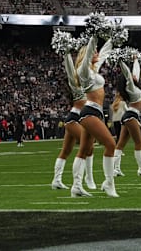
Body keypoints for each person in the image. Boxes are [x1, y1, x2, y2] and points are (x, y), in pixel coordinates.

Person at [75, 35, 119, 197]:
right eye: (93, 51)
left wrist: (115, 37)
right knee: (110, 144)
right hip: (90, 113)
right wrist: (94, 35)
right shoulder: (83, 70)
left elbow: (105, 53)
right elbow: (87, 58)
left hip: (96, 113)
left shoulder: (93, 69)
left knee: (84, 150)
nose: (96, 53)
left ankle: (76, 187)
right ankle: (109, 183)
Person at [50, 49, 88, 191]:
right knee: (87, 147)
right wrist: (66, 52)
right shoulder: (76, 83)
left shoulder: (86, 82)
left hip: (77, 119)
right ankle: (78, 184)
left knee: (66, 150)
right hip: (74, 119)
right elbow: (69, 68)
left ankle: (56, 180)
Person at [113, 57, 141, 179]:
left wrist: (136, 60)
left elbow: (135, 72)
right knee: (138, 143)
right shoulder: (130, 87)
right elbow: (128, 73)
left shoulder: (135, 87)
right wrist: (121, 61)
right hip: (131, 116)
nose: (134, 75)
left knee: (120, 144)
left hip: (128, 116)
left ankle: (115, 169)